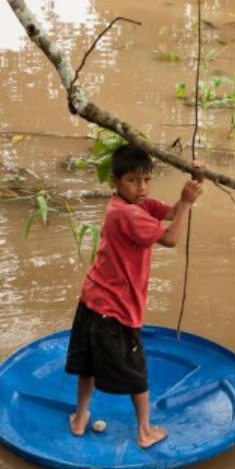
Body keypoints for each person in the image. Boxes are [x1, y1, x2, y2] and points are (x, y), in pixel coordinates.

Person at [64, 144, 203, 448]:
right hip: (115, 309)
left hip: (92, 299)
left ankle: (79, 418)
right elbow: (171, 238)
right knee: (137, 373)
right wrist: (189, 204)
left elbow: (170, 212)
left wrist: (189, 191)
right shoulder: (127, 215)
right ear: (115, 181)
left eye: (146, 180)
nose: (141, 188)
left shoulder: (133, 205)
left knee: (86, 366)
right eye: (133, 180)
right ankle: (144, 431)